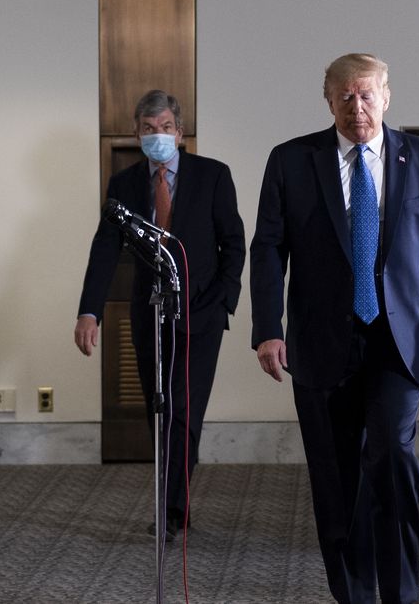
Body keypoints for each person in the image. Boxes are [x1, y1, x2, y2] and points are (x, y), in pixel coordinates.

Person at [249, 53, 419, 604]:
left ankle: (401, 594)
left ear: (387, 96)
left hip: (399, 339)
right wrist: (266, 328)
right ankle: (353, 594)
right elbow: (269, 250)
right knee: (335, 477)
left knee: (393, 458)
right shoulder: (292, 160)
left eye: (367, 94)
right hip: (322, 339)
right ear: (328, 100)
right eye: (345, 96)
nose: (358, 107)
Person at [74, 89, 246, 541]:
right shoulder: (125, 184)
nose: (157, 136)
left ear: (180, 132)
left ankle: (171, 506)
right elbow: (105, 249)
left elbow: (234, 241)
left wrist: (226, 298)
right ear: (137, 133)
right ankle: (174, 501)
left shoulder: (213, 176)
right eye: (148, 129)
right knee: (160, 407)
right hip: (149, 313)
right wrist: (89, 312)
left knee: (186, 409)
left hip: (203, 312)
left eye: (165, 128)